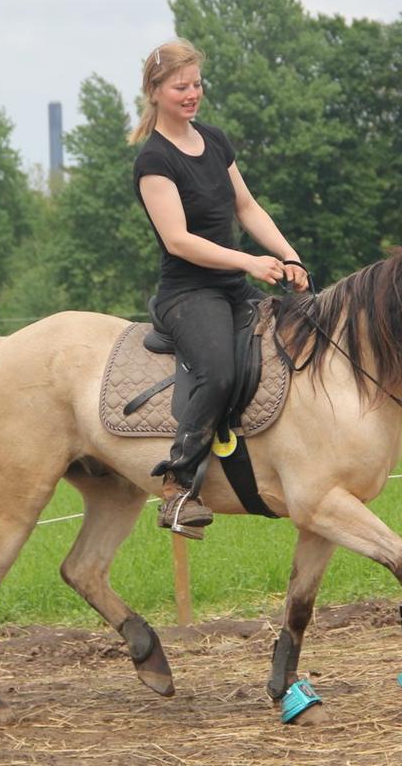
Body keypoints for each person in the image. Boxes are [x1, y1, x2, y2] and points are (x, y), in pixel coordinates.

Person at [130, 37, 309, 537]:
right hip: (188, 294)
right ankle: (178, 486)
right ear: (155, 91)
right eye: (180, 87)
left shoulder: (214, 139)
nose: (192, 94)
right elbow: (179, 240)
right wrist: (250, 262)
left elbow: (246, 207)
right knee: (218, 371)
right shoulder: (154, 160)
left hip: (233, 286)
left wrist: (289, 255)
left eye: (197, 84)